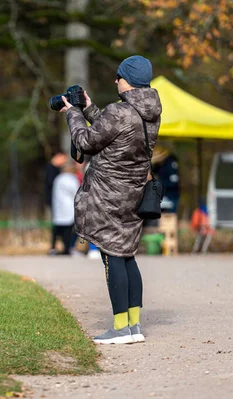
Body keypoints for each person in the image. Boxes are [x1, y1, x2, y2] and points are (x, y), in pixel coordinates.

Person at [59, 55, 162, 345]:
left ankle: (119, 328)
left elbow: (86, 143)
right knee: (127, 254)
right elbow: (117, 129)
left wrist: (73, 113)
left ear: (126, 79)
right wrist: (90, 107)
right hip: (133, 192)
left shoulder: (120, 111)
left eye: (118, 76)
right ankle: (134, 325)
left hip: (108, 194)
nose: (115, 80)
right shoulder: (149, 111)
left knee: (111, 254)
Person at [51, 161, 80, 255]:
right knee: (68, 231)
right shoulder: (72, 179)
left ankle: (53, 248)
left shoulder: (58, 179)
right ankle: (67, 249)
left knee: (57, 230)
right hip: (69, 207)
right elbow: (76, 193)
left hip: (58, 207)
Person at [44, 151, 68, 255]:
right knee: (57, 224)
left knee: (62, 224)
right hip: (55, 202)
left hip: (61, 202)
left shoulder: (58, 170)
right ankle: (53, 247)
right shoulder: (50, 169)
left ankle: (64, 246)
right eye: (63, 159)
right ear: (58, 156)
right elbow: (51, 183)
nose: (64, 162)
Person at [152, 146, 180, 213]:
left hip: (171, 195)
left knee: (170, 217)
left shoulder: (171, 164)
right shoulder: (157, 165)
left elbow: (174, 182)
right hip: (161, 196)